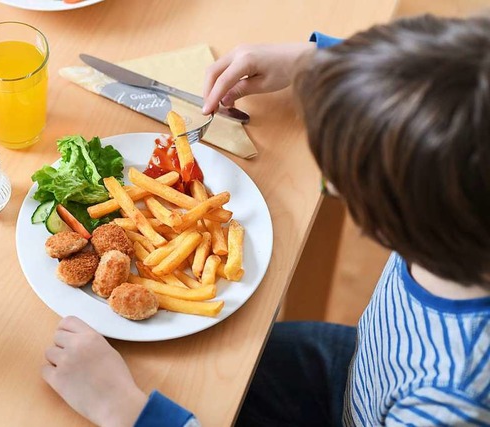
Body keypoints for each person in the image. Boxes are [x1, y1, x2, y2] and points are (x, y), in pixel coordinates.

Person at [42, 14, 490, 426]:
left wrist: (125, 411)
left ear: (397, 219)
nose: (331, 188)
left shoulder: (448, 401)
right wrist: (317, 61)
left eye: (341, 183)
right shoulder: (462, 213)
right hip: (360, 369)